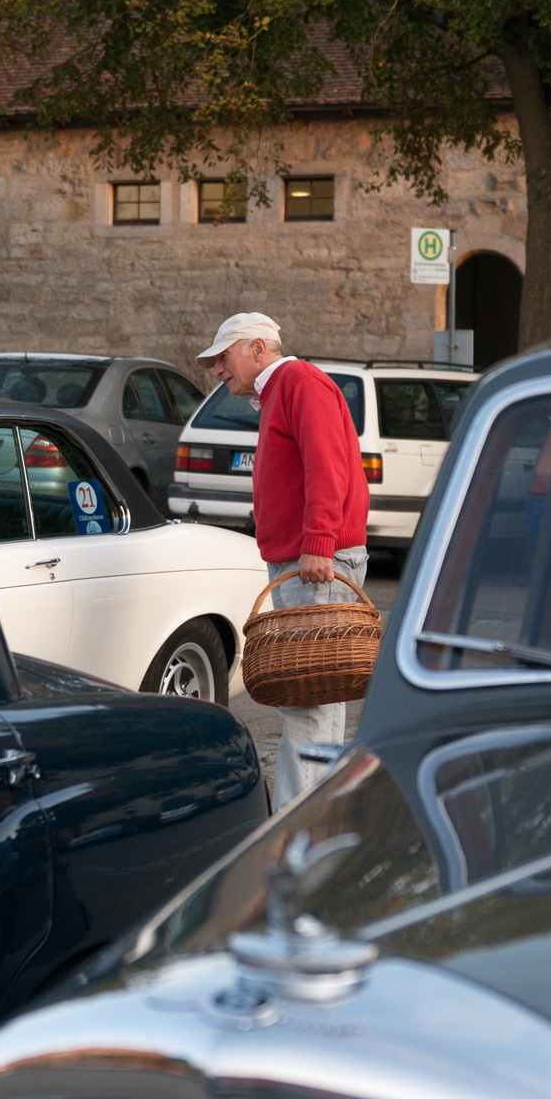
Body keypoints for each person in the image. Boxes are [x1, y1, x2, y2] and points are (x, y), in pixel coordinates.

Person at [197, 312, 370, 807]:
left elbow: (327, 466)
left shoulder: (298, 380)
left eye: (222, 357)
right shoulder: (283, 387)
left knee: (309, 699)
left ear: (256, 348)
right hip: (305, 559)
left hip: (314, 560)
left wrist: (318, 542)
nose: (216, 370)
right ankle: (311, 814)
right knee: (316, 697)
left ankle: (295, 821)